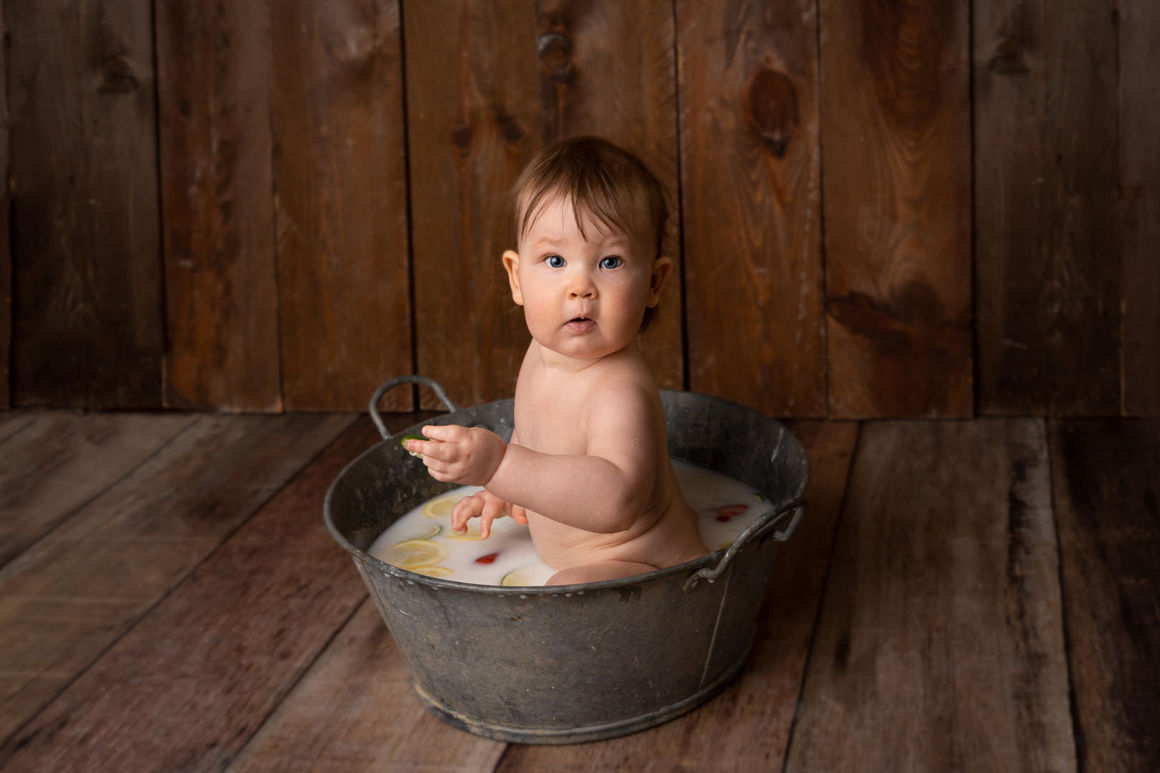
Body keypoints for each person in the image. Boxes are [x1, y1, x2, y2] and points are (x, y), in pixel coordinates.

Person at [406, 137, 706, 585]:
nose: (580, 286)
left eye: (609, 261)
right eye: (554, 260)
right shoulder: (541, 353)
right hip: (571, 554)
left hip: (647, 569)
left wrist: (501, 466)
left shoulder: (617, 388)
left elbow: (618, 499)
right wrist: (502, 489)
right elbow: (536, 435)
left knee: (560, 595)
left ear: (654, 283)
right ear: (517, 277)